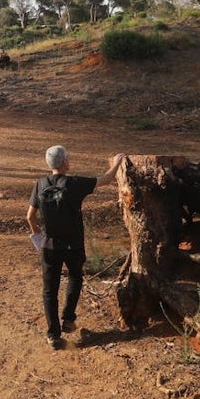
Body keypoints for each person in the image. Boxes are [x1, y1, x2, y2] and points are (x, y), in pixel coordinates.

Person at [26, 145, 126, 350]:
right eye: (68, 158)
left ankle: (53, 335)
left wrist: (37, 234)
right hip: (72, 244)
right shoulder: (73, 184)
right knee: (75, 276)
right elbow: (105, 179)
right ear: (64, 163)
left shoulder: (40, 184)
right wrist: (117, 162)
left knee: (49, 290)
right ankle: (68, 319)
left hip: (49, 246)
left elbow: (30, 216)